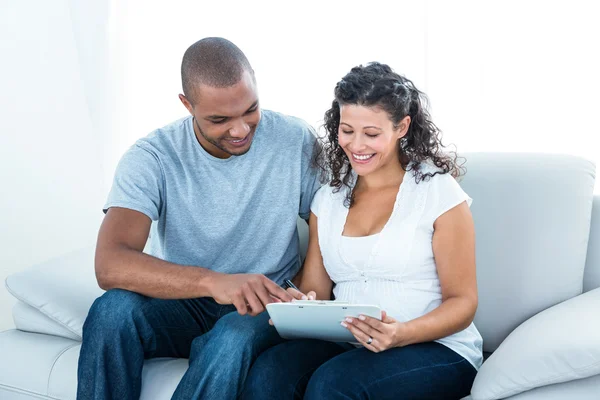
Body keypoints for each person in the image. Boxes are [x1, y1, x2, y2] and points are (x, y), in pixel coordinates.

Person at [76, 37, 321, 400]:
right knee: (111, 312)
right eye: (220, 119)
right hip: (182, 301)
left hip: (261, 306)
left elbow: (328, 223)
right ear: (187, 104)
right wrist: (214, 282)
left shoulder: (294, 139)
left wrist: (299, 292)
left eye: (250, 110)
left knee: (232, 338)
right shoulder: (153, 157)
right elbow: (109, 265)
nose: (240, 130)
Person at [242, 62, 483, 400]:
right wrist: (298, 303)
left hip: (435, 347)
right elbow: (316, 288)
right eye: (347, 130)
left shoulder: (437, 193)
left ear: (402, 127)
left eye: (371, 134)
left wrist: (401, 333)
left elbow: (464, 303)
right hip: (348, 343)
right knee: (269, 374)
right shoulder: (328, 200)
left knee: (334, 384)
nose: (356, 145)